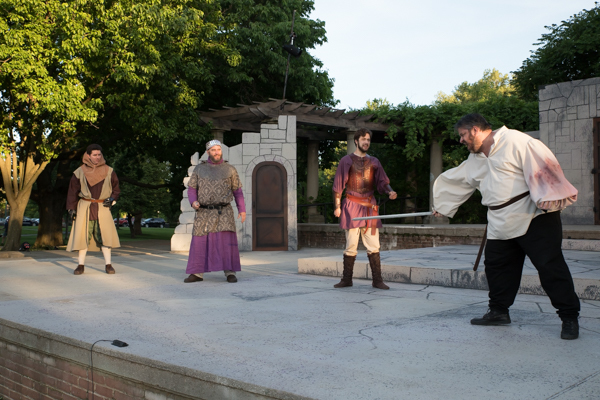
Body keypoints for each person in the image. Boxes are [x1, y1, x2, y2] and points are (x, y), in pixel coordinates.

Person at [432, 113, 580, 340]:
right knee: (497, 268)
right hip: (499, 221)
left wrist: (550, 197)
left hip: (534, 216)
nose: (461, 140)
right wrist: (443, 206)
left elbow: (545, 167)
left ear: (474, 130)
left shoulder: (517, 142)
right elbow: (458, 180)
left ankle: (569, 317)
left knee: (550, 267)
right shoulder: (475, 160)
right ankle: (499, 312)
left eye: (462, 135)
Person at [332, 128, 398, 290]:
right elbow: (338, 185)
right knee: (351, 244)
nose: (366, 142)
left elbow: (382, 181)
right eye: (363, 139)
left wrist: (390, 191)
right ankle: (347, 279)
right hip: (351, 206)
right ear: (356, 141)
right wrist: (337, 206)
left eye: (368, 139)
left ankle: (377, 280)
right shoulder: (346, 161)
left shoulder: (375, 161)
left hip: (370, 206)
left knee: (373, 244)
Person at [184, 139, 246, 283]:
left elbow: (237, 191)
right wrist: (193, 201)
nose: (216, 152)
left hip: (223, 211)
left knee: (226, 242)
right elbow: (192, 188)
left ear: (221, 151)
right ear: (208, 152)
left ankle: (230, 272)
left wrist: (242, 209)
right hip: (203, 211)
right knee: (200, 242)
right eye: (213, 150)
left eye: (218, 149)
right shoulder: (199, 169)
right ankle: (197, 273)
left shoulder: (230, 169)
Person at [66, 144, 121, 275]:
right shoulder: (79, 172)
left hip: (102, 207)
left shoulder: (109, 171)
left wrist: (112, 199)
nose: (97, 157)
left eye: (99, 155)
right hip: (85, 207)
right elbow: (73, 191)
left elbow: (116, 189)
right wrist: (71, 208)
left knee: (105, 237)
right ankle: (80, 265)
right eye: (94, 155)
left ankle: (108, 265)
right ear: (88, 155)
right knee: (82, 237)